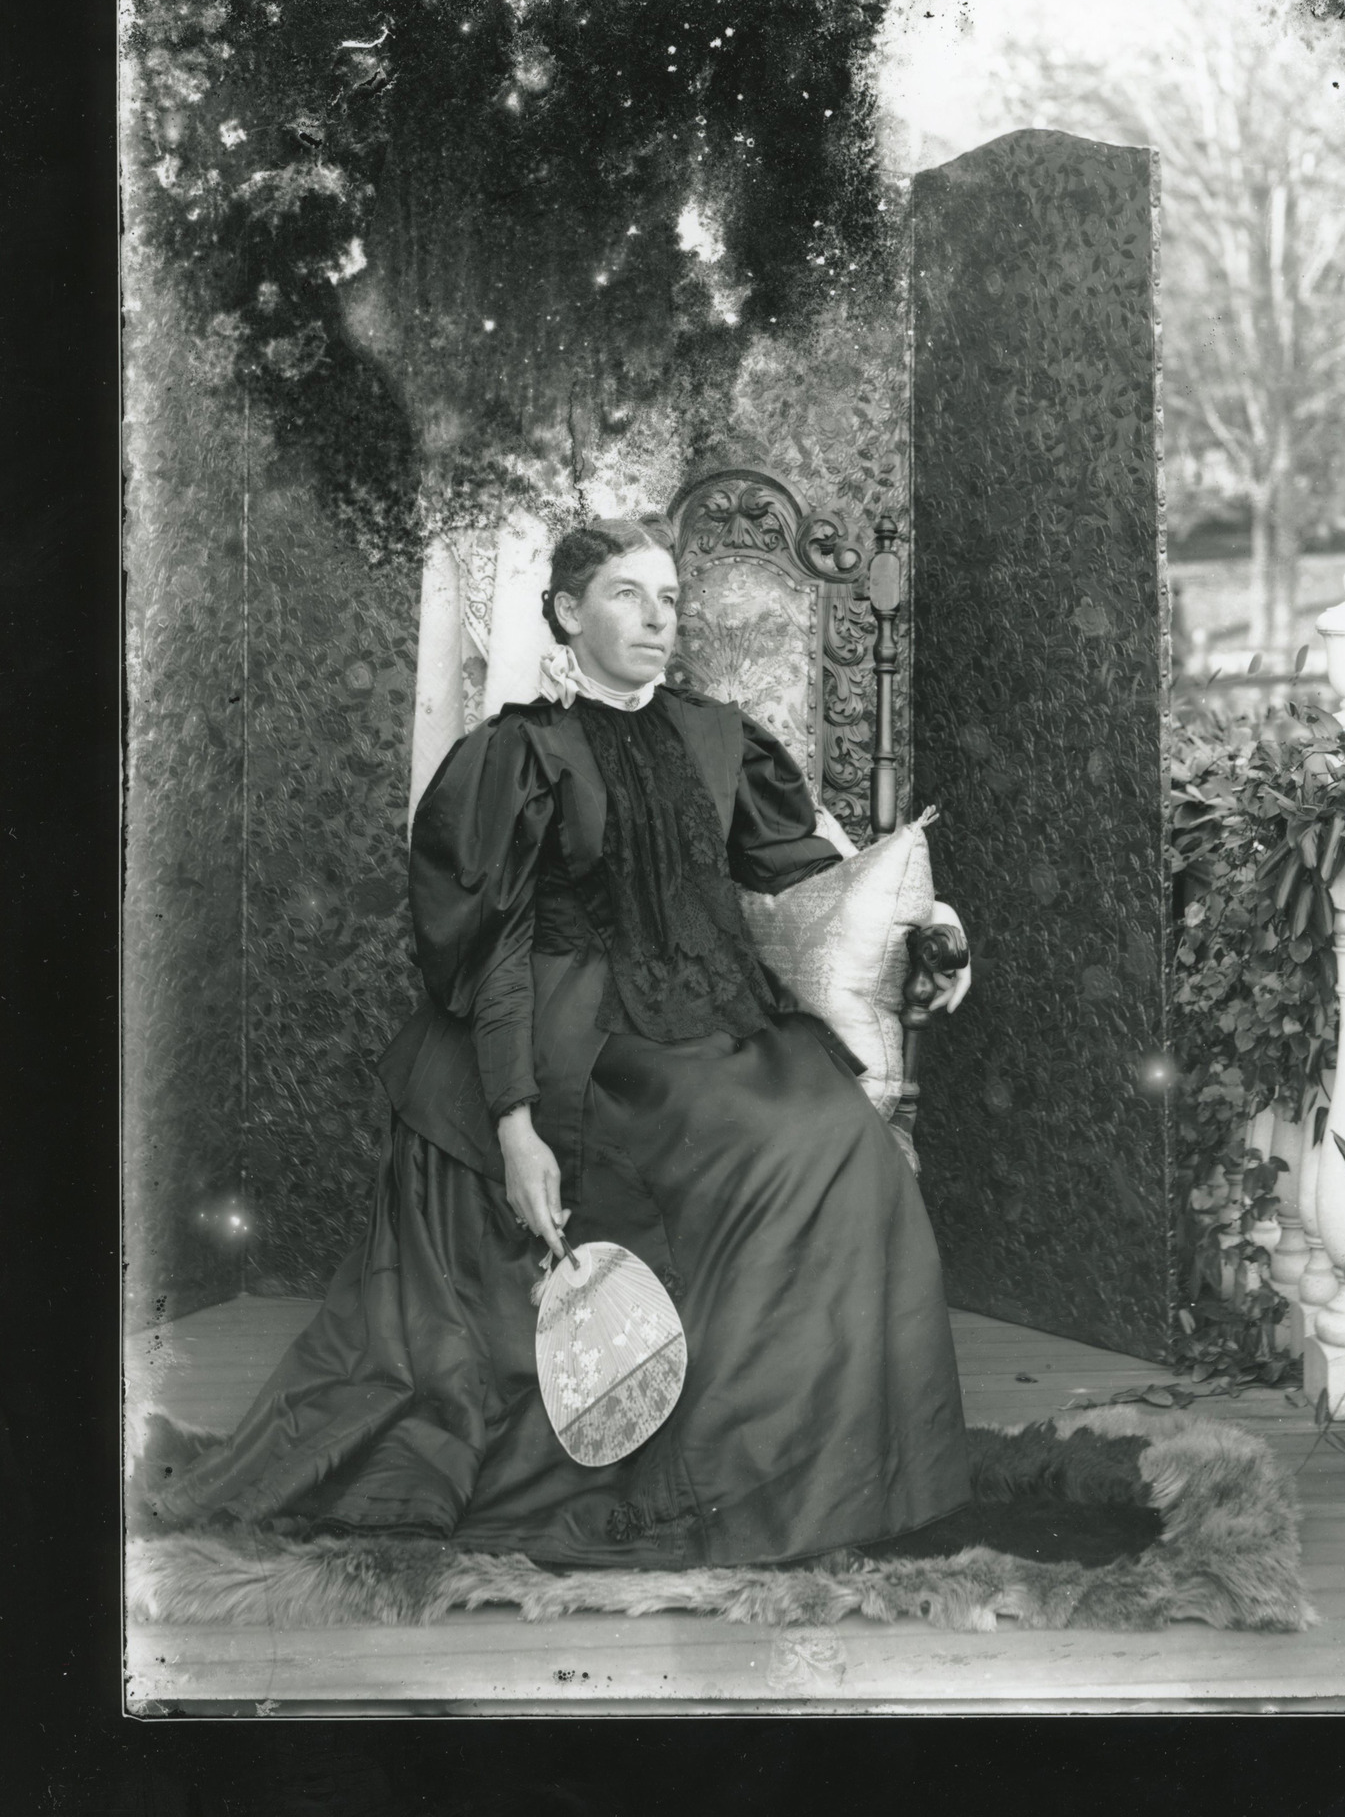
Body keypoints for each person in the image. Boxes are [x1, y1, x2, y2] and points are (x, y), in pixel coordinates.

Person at [147, 516, 973, 1567]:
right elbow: (492, 947)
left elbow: (803, 866)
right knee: (763, 1154)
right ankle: (707, 1479)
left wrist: (930, 923)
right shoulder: (517, 754)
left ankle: (820, 1471)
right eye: (627, 594)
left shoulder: (715, 735)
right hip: (577, 1035)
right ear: (567, 612)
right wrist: (514, 1119)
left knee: (845, 1149)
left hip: (713, 1017)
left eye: (669, 597)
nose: (657, 617)